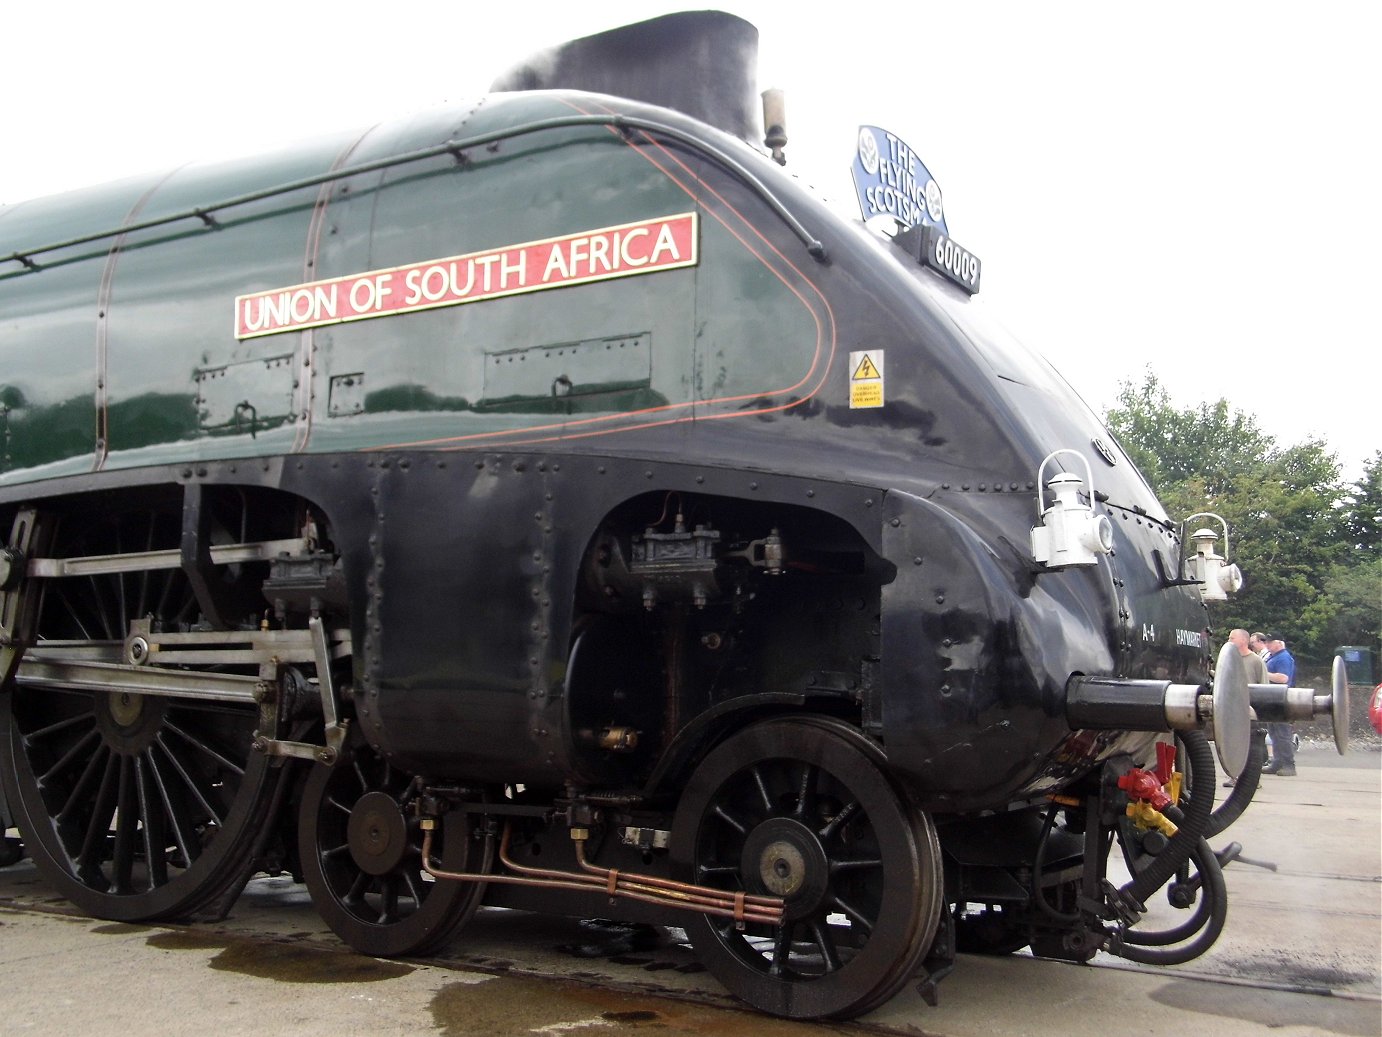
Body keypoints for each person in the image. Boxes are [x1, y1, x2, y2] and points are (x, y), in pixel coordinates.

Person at [1223, 629, 1269, 787]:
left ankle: (1253, 779)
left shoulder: (1256, 661)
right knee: (1234, 745)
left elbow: (1264, 687)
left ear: (1243, 640)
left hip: (1251, 712)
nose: (1229, 641)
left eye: (1232, 638)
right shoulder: (1228, 662)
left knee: (1252, 746)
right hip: (1232, 710)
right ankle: (1234, 776)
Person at [1263, 634, 1297, 775]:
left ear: (1279, 643)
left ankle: (1289, 765)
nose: (1268, 645)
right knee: (1274, 732)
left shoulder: (1283, 658)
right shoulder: (1274, 656)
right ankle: (1277, 762)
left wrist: (1264, 673)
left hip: (1281, 699)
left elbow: (1283, 678)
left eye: (1270, 643)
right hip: (1273, 698)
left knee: (1282, 733)